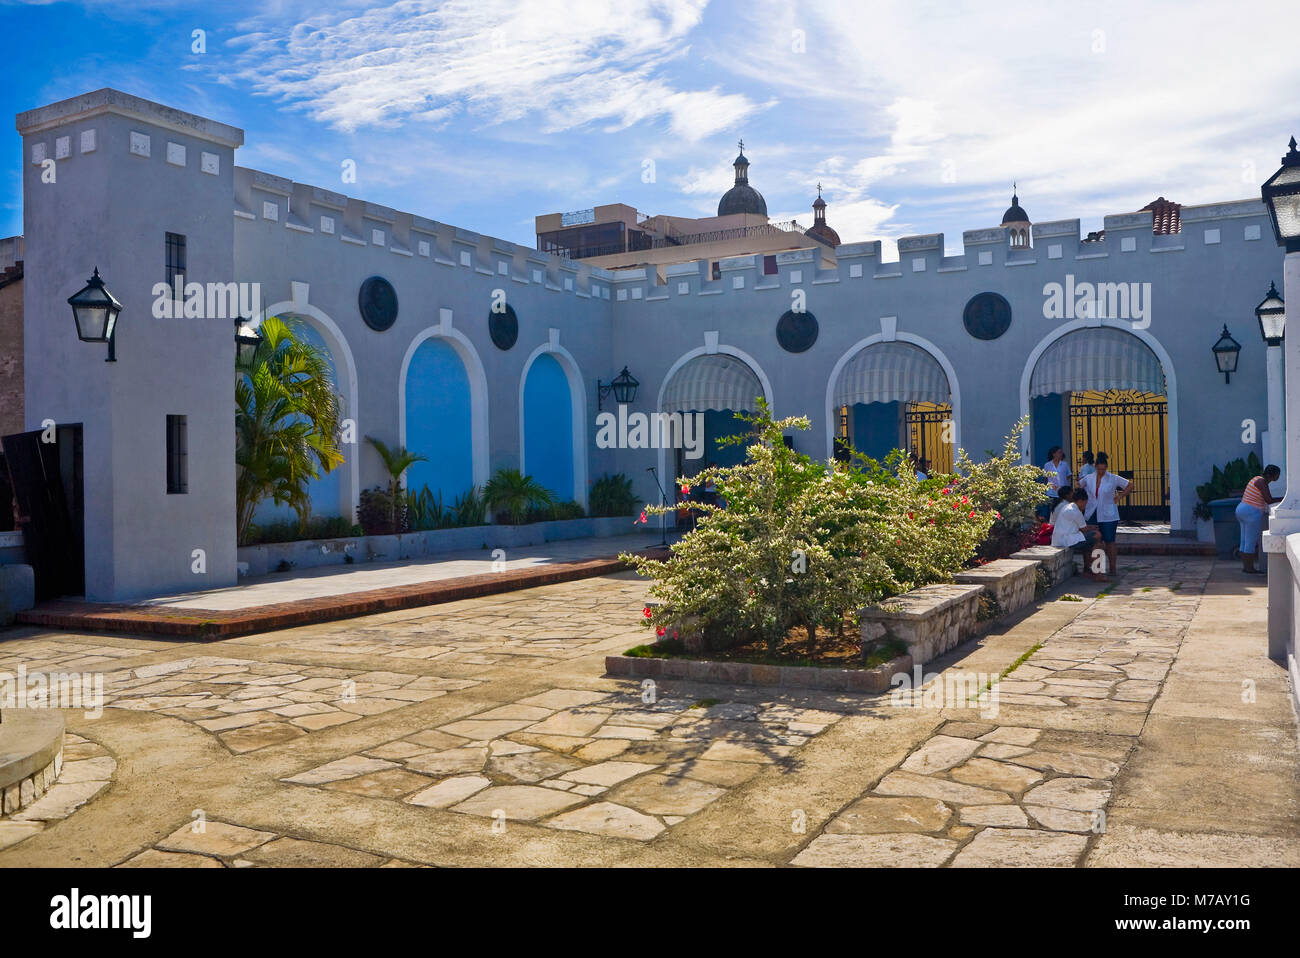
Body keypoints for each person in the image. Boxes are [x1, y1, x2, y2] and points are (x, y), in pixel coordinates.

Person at [1079, 452, 1131, 576]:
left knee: (1109, 541)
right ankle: (1090, 568)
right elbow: (1078, 485)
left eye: (1104, 469)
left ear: (1106, 468)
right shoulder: (1089, 478)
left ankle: (1112, 568)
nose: (1101, 471)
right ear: (1095, 467)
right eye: (1099, 469)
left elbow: (1129, 484)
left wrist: (1120, 496)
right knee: (1091, 540)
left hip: (1108, 515)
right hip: (1092, 512)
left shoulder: (1113, 478)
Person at [1051, 488, 1107, 581]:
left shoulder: (1069, 506)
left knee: (1093, 543)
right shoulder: (1075, 511)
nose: (1085, 506)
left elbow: (1082, 527)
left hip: (1063, 538)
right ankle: (1098, 573)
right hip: (1067, 539)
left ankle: (1089, 570)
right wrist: (1094, 528)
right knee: (1097, 536)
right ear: (1081, 501)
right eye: (1085, 503)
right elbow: (1084, 529)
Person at [1236, 464, 1282, 574]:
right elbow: (1269, 500)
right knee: (1250, 541)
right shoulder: (1262, 483)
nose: (1278, 476)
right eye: (1278, 474)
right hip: (1251, 512)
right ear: (1274, 475)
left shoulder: (1257, 479)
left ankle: (1246, 567)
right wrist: (1284, 498)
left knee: (1244, 540)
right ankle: (1249, 568)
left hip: (1242, 509)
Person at [1038, 446, 1071, 520]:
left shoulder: (1065, 464)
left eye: (1061, 453)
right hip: (1051, 492)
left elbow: (1068, 476)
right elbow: (1046, 477)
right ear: (1054, 454)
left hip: (1062, 492)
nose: (1061, 454)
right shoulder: (1047, 465)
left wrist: (1063, 483)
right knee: (1050, 511)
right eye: (1059, 452)